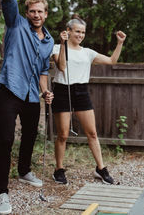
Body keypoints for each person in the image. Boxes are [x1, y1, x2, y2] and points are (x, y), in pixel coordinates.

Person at [0, 0, 54, 214]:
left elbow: (43, 69)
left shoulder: (50, 41)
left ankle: (24, 171)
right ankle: (2, 193)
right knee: (6, 139)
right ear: (26, 12)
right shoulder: (15, 23)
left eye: (40, 11)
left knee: (30, 134)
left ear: (46, 13)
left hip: (32, 95)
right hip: (10, 88)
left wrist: (45, 92)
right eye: (31, 10)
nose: (35, 14)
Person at [51, 15, 126, 185]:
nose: (80, 35)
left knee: (92, 133)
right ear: (68, 31)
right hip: (63, 91)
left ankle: (101, 168)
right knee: (63, 134)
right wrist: (63, 45)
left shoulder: (88, 52)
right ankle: (59, 169)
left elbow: (111, 61)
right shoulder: (56, 48)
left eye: (83, 32)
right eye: (77, 31)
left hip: (82, 91)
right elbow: (62, 67)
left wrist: (119, 43)